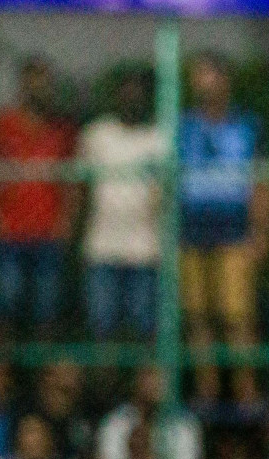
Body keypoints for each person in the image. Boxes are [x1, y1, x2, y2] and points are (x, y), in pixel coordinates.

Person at [179, 53, 269, 401]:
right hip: (191, 230)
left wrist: (261, 231)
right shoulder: (183, 126)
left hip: (234, 230)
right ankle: (208, 390)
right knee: (198, 315)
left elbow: (261, 180)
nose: (204, 84)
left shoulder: (247, 125)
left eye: (211, 76)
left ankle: (245, 389)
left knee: (238, 315)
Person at [0, 57, 77, 346]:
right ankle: (0, 380)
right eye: (35, 83)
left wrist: (66, 221)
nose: (40, 90)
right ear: (22, 85)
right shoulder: (0, 125)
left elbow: (72, 181)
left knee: (48, 310)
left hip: (48, 233)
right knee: (5, 309)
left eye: (46, 84)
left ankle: (45, 382)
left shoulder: (62, 129)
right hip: (10, 232)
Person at [78, 69, 163, 342]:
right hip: (102, 246)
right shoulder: (97, 134)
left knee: (146, 328)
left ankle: (151, 386)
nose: (131, 98)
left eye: (138, 93)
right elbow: (79, 185)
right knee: (102, 327)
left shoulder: (159, 138)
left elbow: (163, 194)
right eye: (126, 92)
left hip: (145, 247)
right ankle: (104, 386)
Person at [96, 365, 203, 459]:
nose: (154, 382)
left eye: (160, 375)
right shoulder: (117, 421)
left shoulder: (184, 423)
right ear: (137, 379)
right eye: (148, 374)